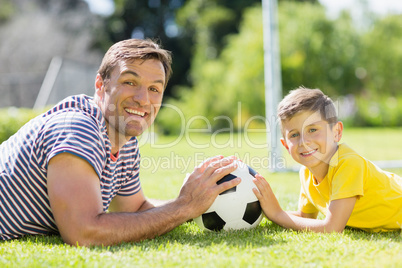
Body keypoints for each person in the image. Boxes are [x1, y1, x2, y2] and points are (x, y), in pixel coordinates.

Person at [0, 39, 240, 246]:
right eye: (130, 82)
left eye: (154, 88)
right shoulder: (77, 127)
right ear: (100, 85)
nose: (142, 99)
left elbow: (135, 209)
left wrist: (200, 200)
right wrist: (183, 208)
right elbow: (84, 232)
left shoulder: (123, 141)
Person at [253, 87, 402, 233]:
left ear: (336, 132)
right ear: (285, 145)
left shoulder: (348, 164)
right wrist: (266, 210)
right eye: (294, 135)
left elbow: (332, 228)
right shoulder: (306, 173)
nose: (304, 141)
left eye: (312, 130)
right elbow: (305, 218)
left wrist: (278, 214)